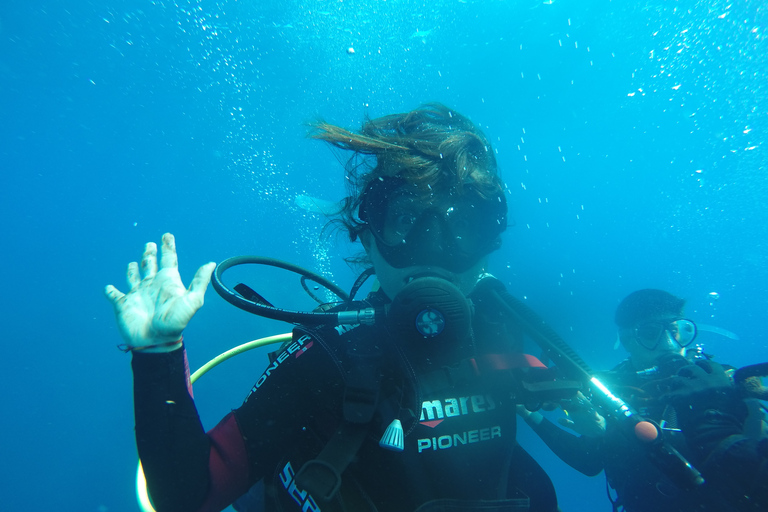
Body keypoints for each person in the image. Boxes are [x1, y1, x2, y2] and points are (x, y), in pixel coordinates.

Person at [106, 104, 568, 512]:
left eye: (462, 224)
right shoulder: (328, 359)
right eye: (406, 219)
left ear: (490, 243)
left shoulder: (504, 329)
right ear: (368, 238)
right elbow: (188, 495)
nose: (432, 248)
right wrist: (158, 352)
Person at [518, 288, 768, 512]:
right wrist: (529, 414)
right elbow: (588, 463)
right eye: (651, 333)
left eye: (676, 331)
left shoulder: (720, 382)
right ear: (626, 339)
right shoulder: (610, 392)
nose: (670, 345)